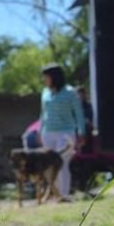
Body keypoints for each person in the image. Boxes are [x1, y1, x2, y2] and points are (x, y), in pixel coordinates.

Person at [38, 63, 85, 201]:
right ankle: (53, 193)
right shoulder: (45, 93)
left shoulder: (70, 92)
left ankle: (63, 195)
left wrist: (81, 132)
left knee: (62, 164)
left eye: (46, 77)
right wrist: (40, 131)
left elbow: (79, 114)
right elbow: (43, 114)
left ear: (54, 77)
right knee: (48, 165)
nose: (44, 80)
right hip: (48, 133)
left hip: (66, 133)